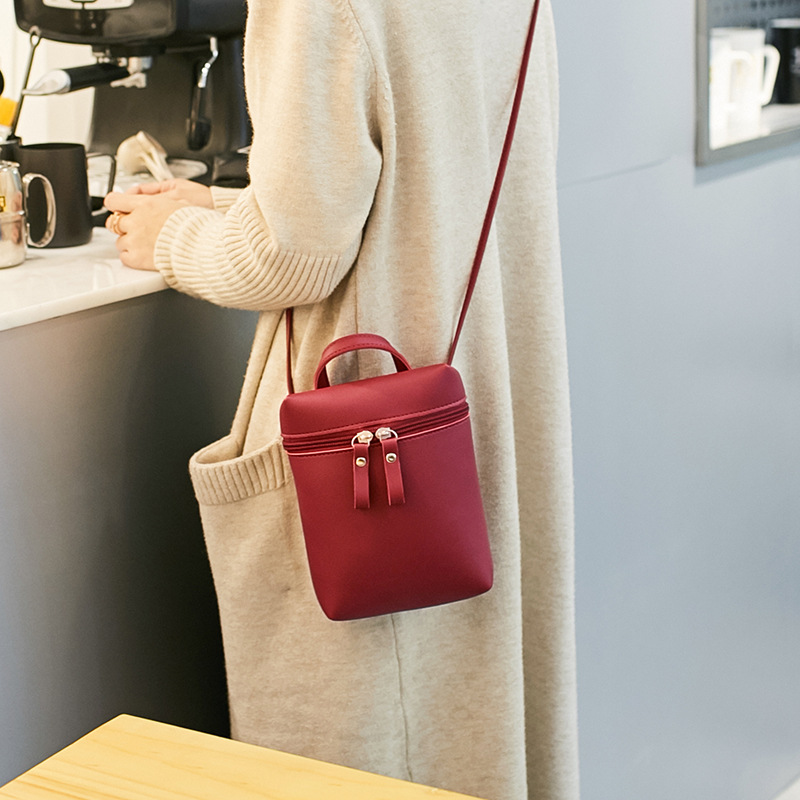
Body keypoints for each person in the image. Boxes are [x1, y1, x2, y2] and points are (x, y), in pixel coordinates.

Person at [104, 1, 577, 798]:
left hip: (369, 434)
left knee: (361, 752)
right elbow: (431, 175)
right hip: (486, 396)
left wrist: (172, 238)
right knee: (467, 728)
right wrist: (220, 207)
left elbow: (290, 259)